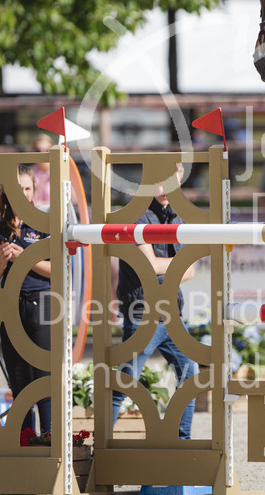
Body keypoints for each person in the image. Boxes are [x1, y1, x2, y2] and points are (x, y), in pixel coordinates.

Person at [111, 163, 199, 440]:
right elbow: (149, 266)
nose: (165, 189)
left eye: (171, 182)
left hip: (172, 312)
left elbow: (192, 270)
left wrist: (171, 266)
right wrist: (177, 265)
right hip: (141, 314)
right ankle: (101, 446)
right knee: (124, 383)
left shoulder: (178, 215)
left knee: (191, 376)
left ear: (180, 178)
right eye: (160, 182)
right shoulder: (136, 213)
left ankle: (181, 440)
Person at [0, 164, 52, 433]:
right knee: (18, 377)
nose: (22, 193)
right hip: (10, 304)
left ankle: (49, 441)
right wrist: (2, 258)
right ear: (6, 192)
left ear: (34, 192)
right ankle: (25, 442)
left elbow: (57, 270)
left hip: (43, 302)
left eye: (27, 188)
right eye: (18, 188)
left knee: (43, 376)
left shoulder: (45, 223)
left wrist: (25, 257)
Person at [28, 134, 53, 207]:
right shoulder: (27, 172)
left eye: (47, 150)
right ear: (33, 151)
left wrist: (40, 204)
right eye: (38, 150)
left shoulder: (59, 172)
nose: (42, 153)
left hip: (54, 215)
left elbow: (68, 201)